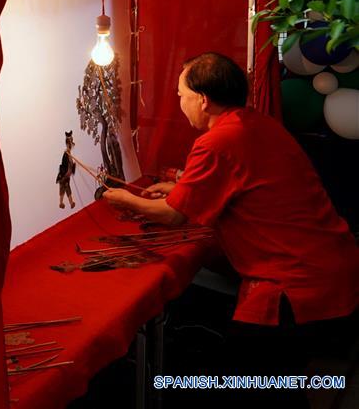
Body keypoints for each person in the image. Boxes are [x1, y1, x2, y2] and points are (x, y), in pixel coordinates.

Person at [104, 52, 359, 408]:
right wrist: (180, 185)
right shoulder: (256, 123)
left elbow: (174, 216)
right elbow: (240, 180)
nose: (179, 103)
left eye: (181, 95)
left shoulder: (217, 141)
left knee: (251, 383)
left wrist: (118, 198)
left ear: (203, 99)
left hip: (295, 280)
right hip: (332, 264)